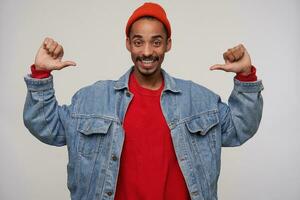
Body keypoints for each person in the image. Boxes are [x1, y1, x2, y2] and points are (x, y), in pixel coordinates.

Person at [23, 2, 263, 200]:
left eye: (156, 42)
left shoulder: (198, 100)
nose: (147, 51)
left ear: (168, 44)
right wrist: (41, 75)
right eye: (138, 42)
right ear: (128, 43)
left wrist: (245, 76)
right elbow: (49, 127)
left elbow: (239, 129)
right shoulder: (92, 99)